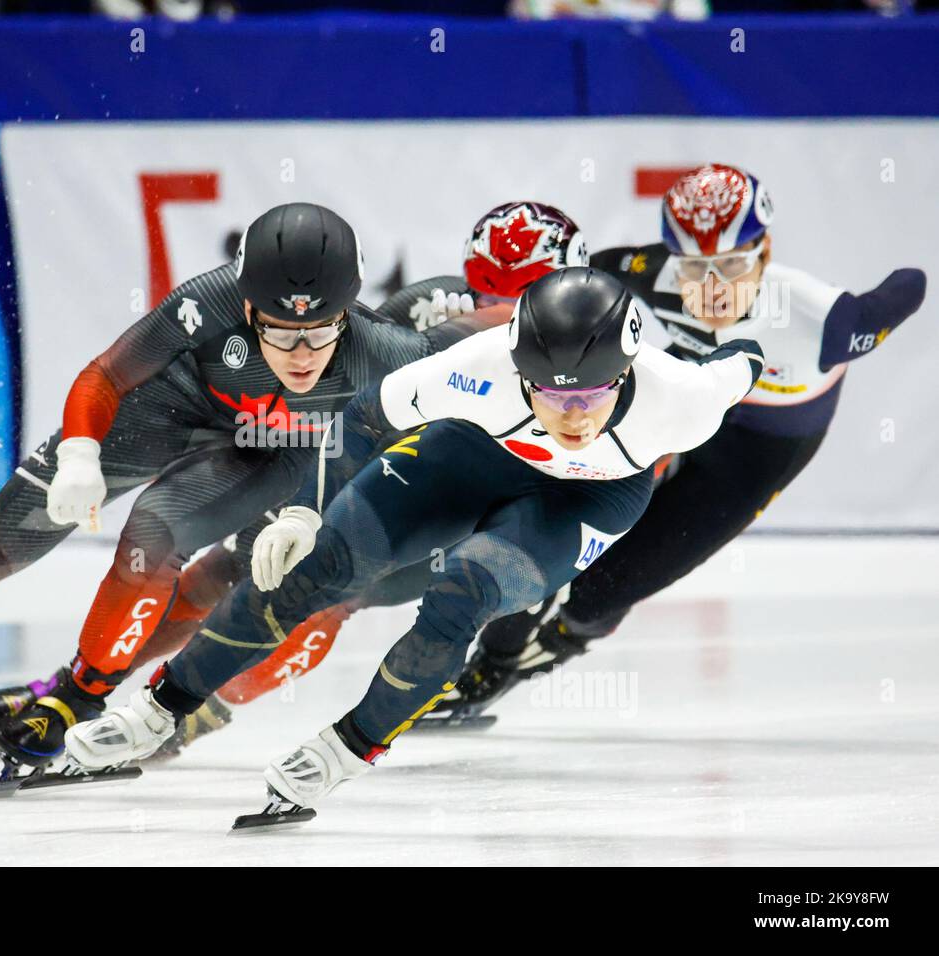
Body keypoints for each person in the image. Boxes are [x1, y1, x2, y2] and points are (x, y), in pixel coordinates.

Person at [0, 202, 496, 762]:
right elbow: (105, 375)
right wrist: (81, 451)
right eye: (280, 329)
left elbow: (490, 399)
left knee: (163, 540)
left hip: (272, 450)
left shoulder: (386, 352)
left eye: (319, 329)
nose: (300, 350)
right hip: (167, 411)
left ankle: (76, 700)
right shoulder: (208, 303)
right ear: (247, 306)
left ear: (350, 312)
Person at [58, 266, 765, 814]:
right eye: (547, 392)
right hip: (473, 454)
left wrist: (751, 344)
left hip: (590, 497)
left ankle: (348, 747)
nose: (568, 413)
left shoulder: (682, 401)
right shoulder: (479, 365)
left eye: (588, 396)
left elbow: (743, 362)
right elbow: (363, 423)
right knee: (313, 569)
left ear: (628, 371)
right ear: (519, 365)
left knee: (466, 591)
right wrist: (302, 512)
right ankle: (159, 708)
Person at [0, 200, 588, 755]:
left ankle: (200, 712)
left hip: (458, 509)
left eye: (523, 295)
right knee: (223, 572)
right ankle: (83, 686)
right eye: (486, 288)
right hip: (374, 473)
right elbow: (355, 383)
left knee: (324, 599)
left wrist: (504, 647)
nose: (500, 310)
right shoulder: (433, 304)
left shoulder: (600, 366)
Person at [438, 163, 928, 720]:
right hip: (686, 404)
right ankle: (494, 658)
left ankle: (546, 649)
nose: (713, 286)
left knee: (608, 587)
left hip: (755, 452)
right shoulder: (644, 271)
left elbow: (910, 285)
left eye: (732, 267)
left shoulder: (825, 320)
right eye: (695, 268)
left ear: (765, 254)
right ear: (674, 259)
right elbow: (550, 283)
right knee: (556, 523)